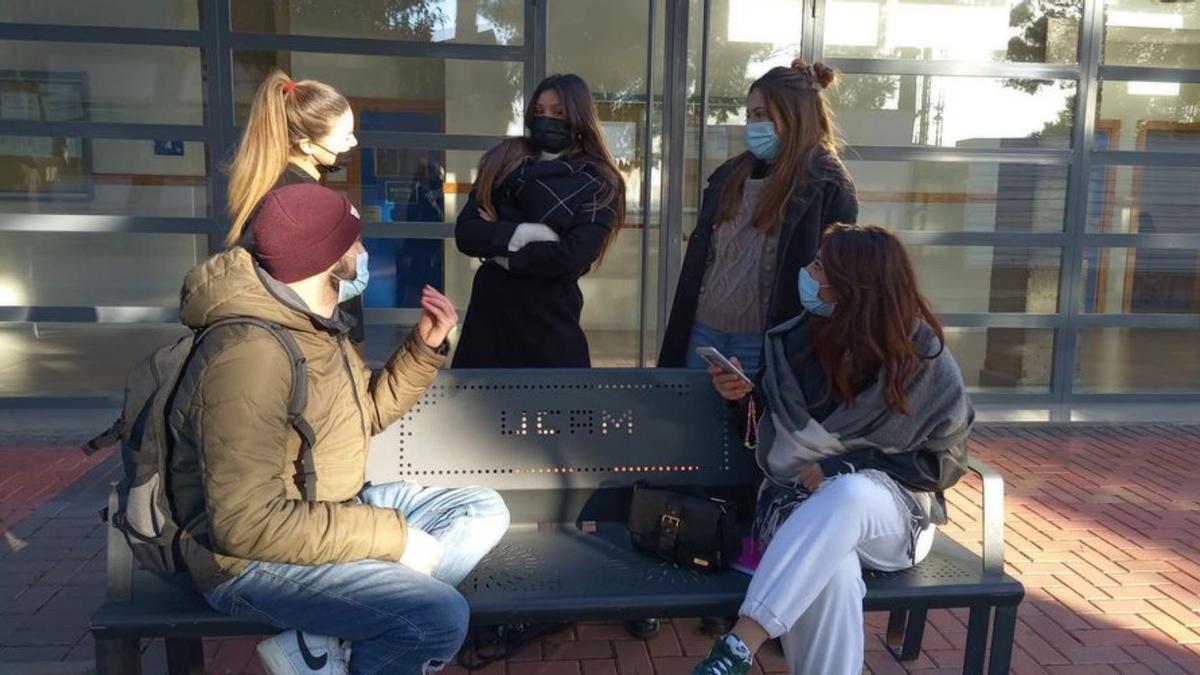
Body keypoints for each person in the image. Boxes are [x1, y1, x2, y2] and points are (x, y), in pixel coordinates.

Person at [167, 183, 510, 675]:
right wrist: (392, 538)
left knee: (480, 508)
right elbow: (245, 524)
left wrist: (423, 347)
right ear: (325, 259)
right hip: (249, 563)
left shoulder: (314, 322)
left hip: (329, 505)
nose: (364, 252)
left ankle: (323, 639)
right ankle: (364, 623)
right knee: (437, 617)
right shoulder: (250, 356)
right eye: (355, 242)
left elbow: (362, 415)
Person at [692, 224, 974, 675]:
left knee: (850, 492)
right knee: (834, 572)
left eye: (819, 265)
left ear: (853, 283)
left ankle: (742, 641)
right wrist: (742, 398)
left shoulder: (922, 355)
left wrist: (848, 465)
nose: (806, 271)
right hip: (796, 505)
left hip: (893, 515)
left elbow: (946, 461)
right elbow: (773, 430)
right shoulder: (794, 340)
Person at [659, 60, 858, 376]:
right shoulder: (729, 175)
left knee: (751, 424)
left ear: (793, 115)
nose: (752, 124)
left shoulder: (826, 182)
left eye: (761, 114)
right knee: (693, 422)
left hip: (767, 342)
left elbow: (840, 271)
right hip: (703, 332)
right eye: (749, 115)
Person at [453, 73, 625, 368]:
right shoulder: (505, 159)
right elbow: (467, 233)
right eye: (539, 112)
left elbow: (573, 256)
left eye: (558, 112)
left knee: (561, 411)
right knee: (478, 411)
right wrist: (530, 233)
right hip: (490, 317)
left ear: (578, 116)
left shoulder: (599, 180)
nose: (547, 120)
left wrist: (500, 246)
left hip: (549, 319)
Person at [225, 69, 368, 344]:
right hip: (307, 342)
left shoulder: (284, 187)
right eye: (345, 135)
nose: (353, 142)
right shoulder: (294, 202)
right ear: (307, 145)